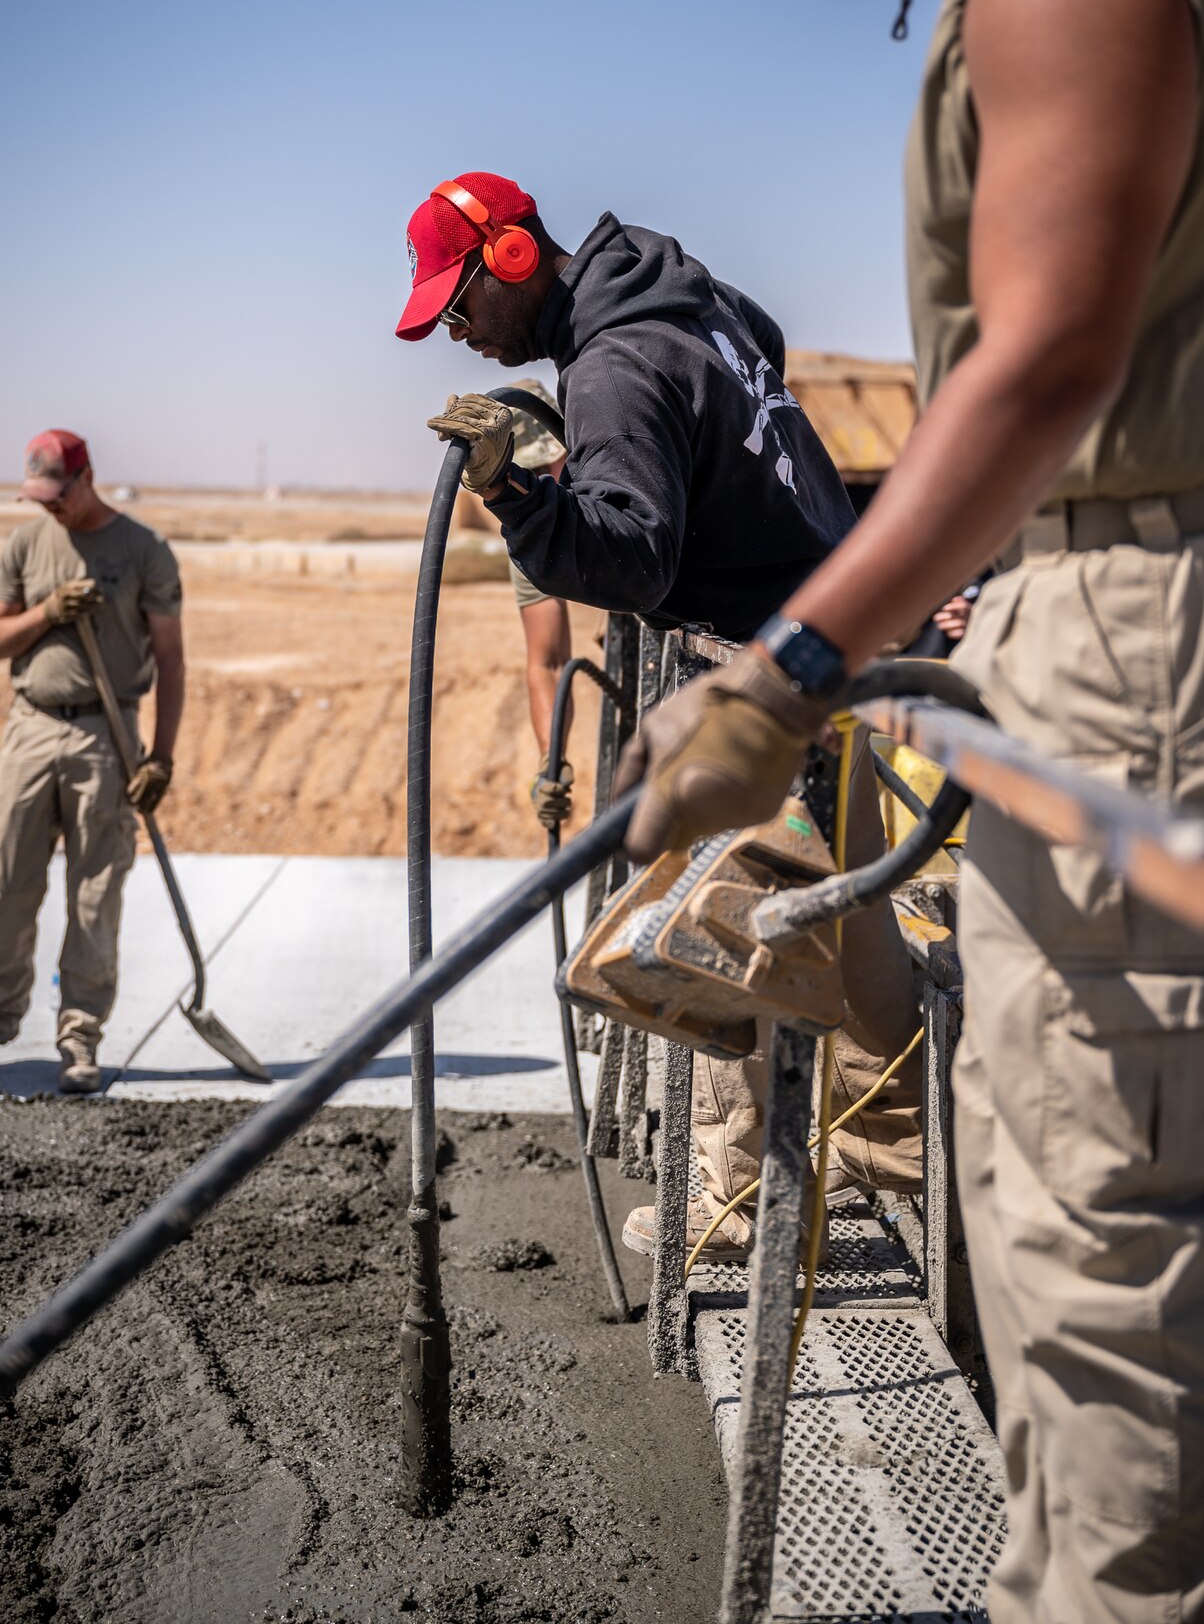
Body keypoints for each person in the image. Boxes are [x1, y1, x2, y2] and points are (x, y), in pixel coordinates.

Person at [624, 0, 1204, 1615]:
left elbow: (1043, 362)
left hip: (1141, 645)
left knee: (1099, 1256)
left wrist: (791, 666)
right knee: (1068, 1220)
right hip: (1095, 606)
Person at [396, 169, 924, 1256]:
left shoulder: (615, 365)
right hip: (833, 629)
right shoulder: (687, 298)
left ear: (512, 256)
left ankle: (740, 1204)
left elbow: (636, 558)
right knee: (856, 913)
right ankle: (897, 1145)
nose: (458, 329)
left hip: (762, 669)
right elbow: (763, 341)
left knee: (729, 935)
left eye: (460, 299)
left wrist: (518, 494)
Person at [0, 430, 184, 1095]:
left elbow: (170, 659)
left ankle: (79, 1034)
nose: (50, 507)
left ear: (86, 478)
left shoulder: (143, 550)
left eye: (58, 495)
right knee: (6, 881)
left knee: (95, 891)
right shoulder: (26, 544)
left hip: (105, 737)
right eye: (40, 497)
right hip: (31, 728)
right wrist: (48, 612)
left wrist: (160, 757)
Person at [502, 379, 579, 831]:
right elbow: (547, 663)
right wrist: (551, 761)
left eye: (550, 465)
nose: (547, 482)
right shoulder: (529, 534)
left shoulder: (622, 482)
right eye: (529, 474)